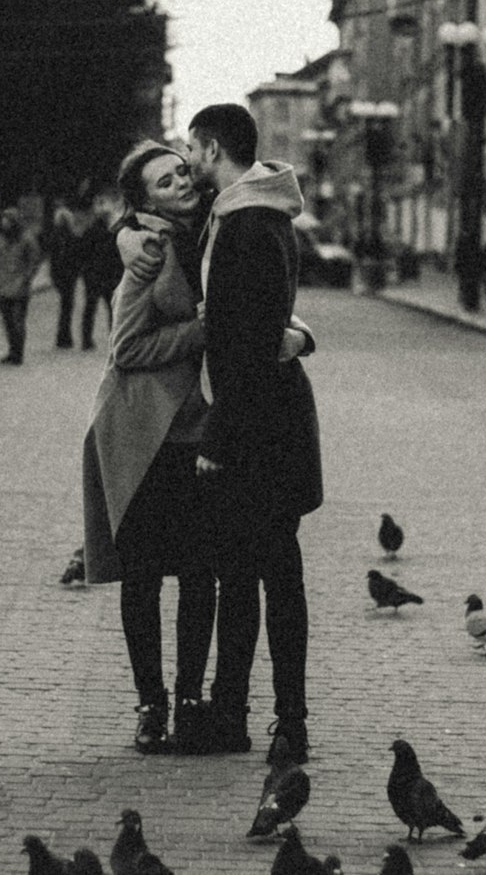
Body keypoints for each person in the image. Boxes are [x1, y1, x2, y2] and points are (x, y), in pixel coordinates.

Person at [98, 138, 314, 757]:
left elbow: (258, 299)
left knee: (200, 574)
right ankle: (151, 706)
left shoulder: (223, 224)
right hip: (149, 435)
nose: (181, 183)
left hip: (204, 430)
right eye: (163, 184)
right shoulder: (149, 249)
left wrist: (296, 334)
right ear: (144, 204)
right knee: (143, 577)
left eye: (181, 170)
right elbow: (127, 349)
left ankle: (191, 701)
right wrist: (203, 329)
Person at [187, 103, 322, 764]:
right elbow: (263, 326)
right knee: (240, 577)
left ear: (213, 150)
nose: (187, 161)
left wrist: (217, 434)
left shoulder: (252, 225)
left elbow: (251, 339)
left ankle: (289, 723)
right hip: (256, 420)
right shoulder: (238, 219)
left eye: (192, 148)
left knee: (275, 579)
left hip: (262, 429)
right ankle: (232, 714)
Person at [0, 207, 42, 366]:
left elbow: (34, 260)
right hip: (3, 285)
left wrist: (26, 278)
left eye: (8, 220)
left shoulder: (26, 239)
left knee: (18, 320)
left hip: (19, 286)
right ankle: (12, 350)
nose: (5, 223)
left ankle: (18, 352)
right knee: (8, 321)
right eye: (3, 220)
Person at [49, 186, 93, 349]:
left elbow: (54, 259)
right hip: (69, 275)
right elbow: (78, 257)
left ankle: (63, 336)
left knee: (66, 306)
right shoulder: (72, 237)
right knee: (67, 306)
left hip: (62, 274)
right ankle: (64, 336)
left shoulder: (55, 237)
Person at [80, 198, 122, 351]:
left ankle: (86, 339)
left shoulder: (89, 232)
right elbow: (116, 257)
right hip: (108, 276)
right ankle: (114, 338)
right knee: (112, 309)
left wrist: (85, 273)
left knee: (90, 308)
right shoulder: (112, 234)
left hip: (92, 276)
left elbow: (83, 255)